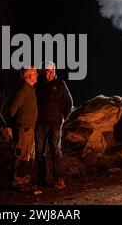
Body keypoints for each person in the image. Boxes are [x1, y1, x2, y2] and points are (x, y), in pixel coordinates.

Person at [35, 61, 73, 189]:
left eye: (51, 71)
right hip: (40, 123)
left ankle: (59, 179)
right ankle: (42, 178)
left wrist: (64, 117)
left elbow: (69, 102)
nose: (49, 73)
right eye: (46, 71)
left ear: (55, 71)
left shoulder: (60, 84)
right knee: (39, 151)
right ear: (42, 71)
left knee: (55, 150)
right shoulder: (38, 85)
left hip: (55, 123)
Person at [9, 67, 41, 193]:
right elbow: (13, 109)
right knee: (22, 155)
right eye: (35, 73)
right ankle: (18, 181)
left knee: (30, 157)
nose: (37, 75)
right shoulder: (23, 90)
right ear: (29, 76)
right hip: (24, 129)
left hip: (31, 128)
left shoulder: (31, 89)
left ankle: (26, 180)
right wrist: (11, 126)